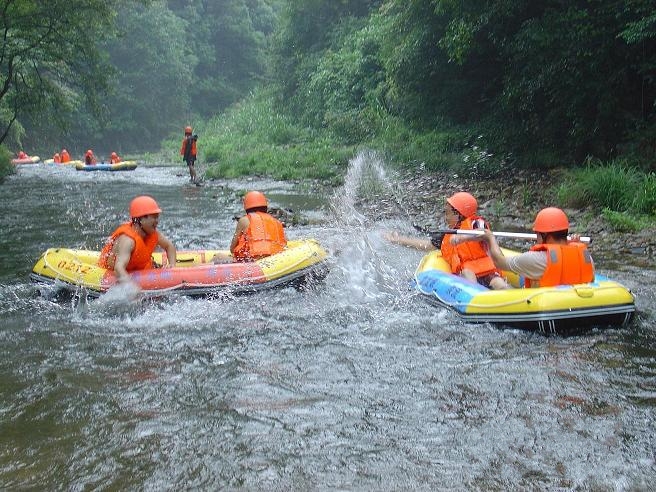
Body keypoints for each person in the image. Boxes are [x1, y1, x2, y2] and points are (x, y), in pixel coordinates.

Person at [385, 191, 508, 289]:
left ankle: (514, 302)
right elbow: (426, 246)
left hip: (488, 270)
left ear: (458, 214)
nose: (445, 218)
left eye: (448, 213)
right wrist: (398, 240)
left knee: (498, 283)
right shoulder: (447, 235)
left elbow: (482, 233)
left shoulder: (476, 223)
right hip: (468, 272)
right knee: (467, 273)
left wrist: (463, 238)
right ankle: (478, 300)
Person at [482, 207, 594, 287]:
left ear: (544, 235)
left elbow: (499, 262)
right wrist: (572, 245)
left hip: (548, 305)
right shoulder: (586, 256)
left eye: (538, 234)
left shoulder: (535, 259)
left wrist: (490, 238)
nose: (536, 238)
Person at [98, 195, 177, 283]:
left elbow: (169, 246)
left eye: (157, 217)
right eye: (154, 217)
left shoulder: (153, 234)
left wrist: (172, 266)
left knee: (154, 265)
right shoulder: (127, 240)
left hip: (138, 269)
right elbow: (118, 269)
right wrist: (131, 288)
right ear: (141, 219)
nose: (157, 221)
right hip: (110, 274)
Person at [213, 191, 287, 263]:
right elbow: (284, 244)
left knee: (217, 257)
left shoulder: (244, 220)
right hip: (276, 260)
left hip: (252, 262)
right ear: (265, 206)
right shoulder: (276, 222)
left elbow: (232, 249)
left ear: (246, 207)